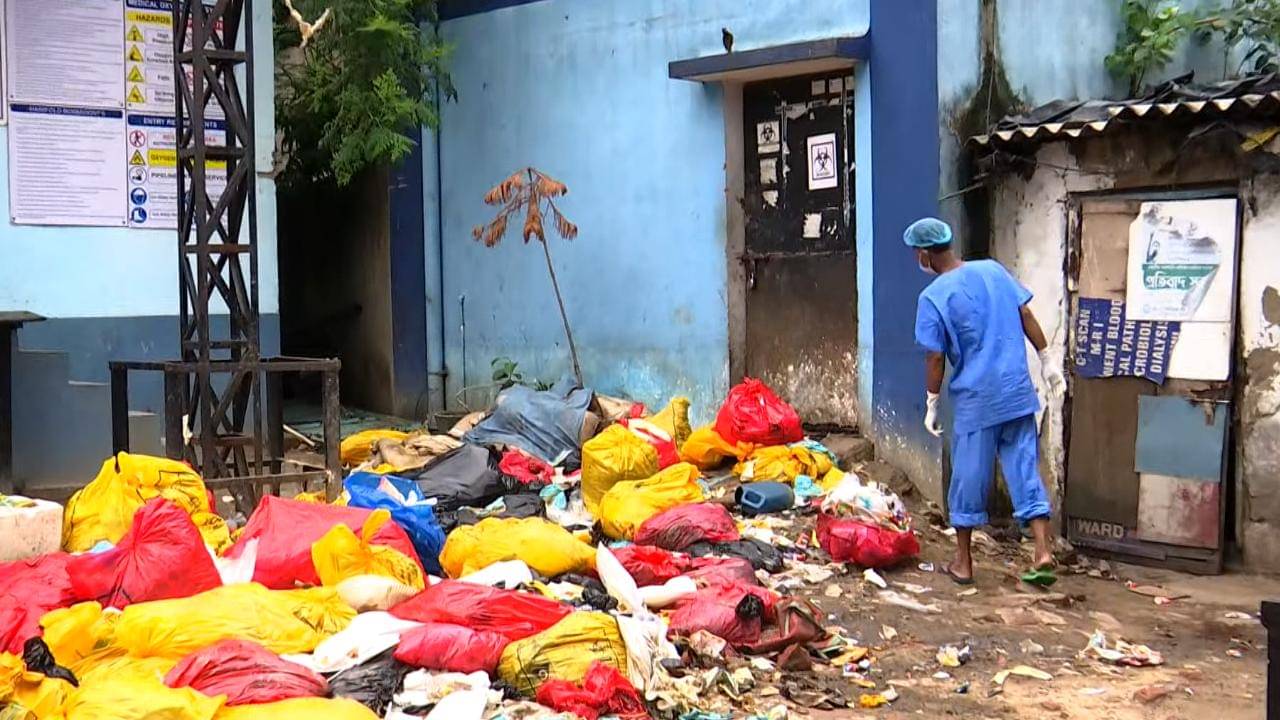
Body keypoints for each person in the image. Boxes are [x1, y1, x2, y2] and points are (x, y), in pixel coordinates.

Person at [904, 217, 1066, 586]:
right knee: (1024, 467)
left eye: (918, 253)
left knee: (968, 478)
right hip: (1015, 391)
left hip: (978, 400)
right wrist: (1046, 359)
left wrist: (931, 401)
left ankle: (963, 561)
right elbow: (1025, 314)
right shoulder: (992, 270)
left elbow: (934, 356)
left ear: (926, 254)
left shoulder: (932, 297)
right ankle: (1042, 551)